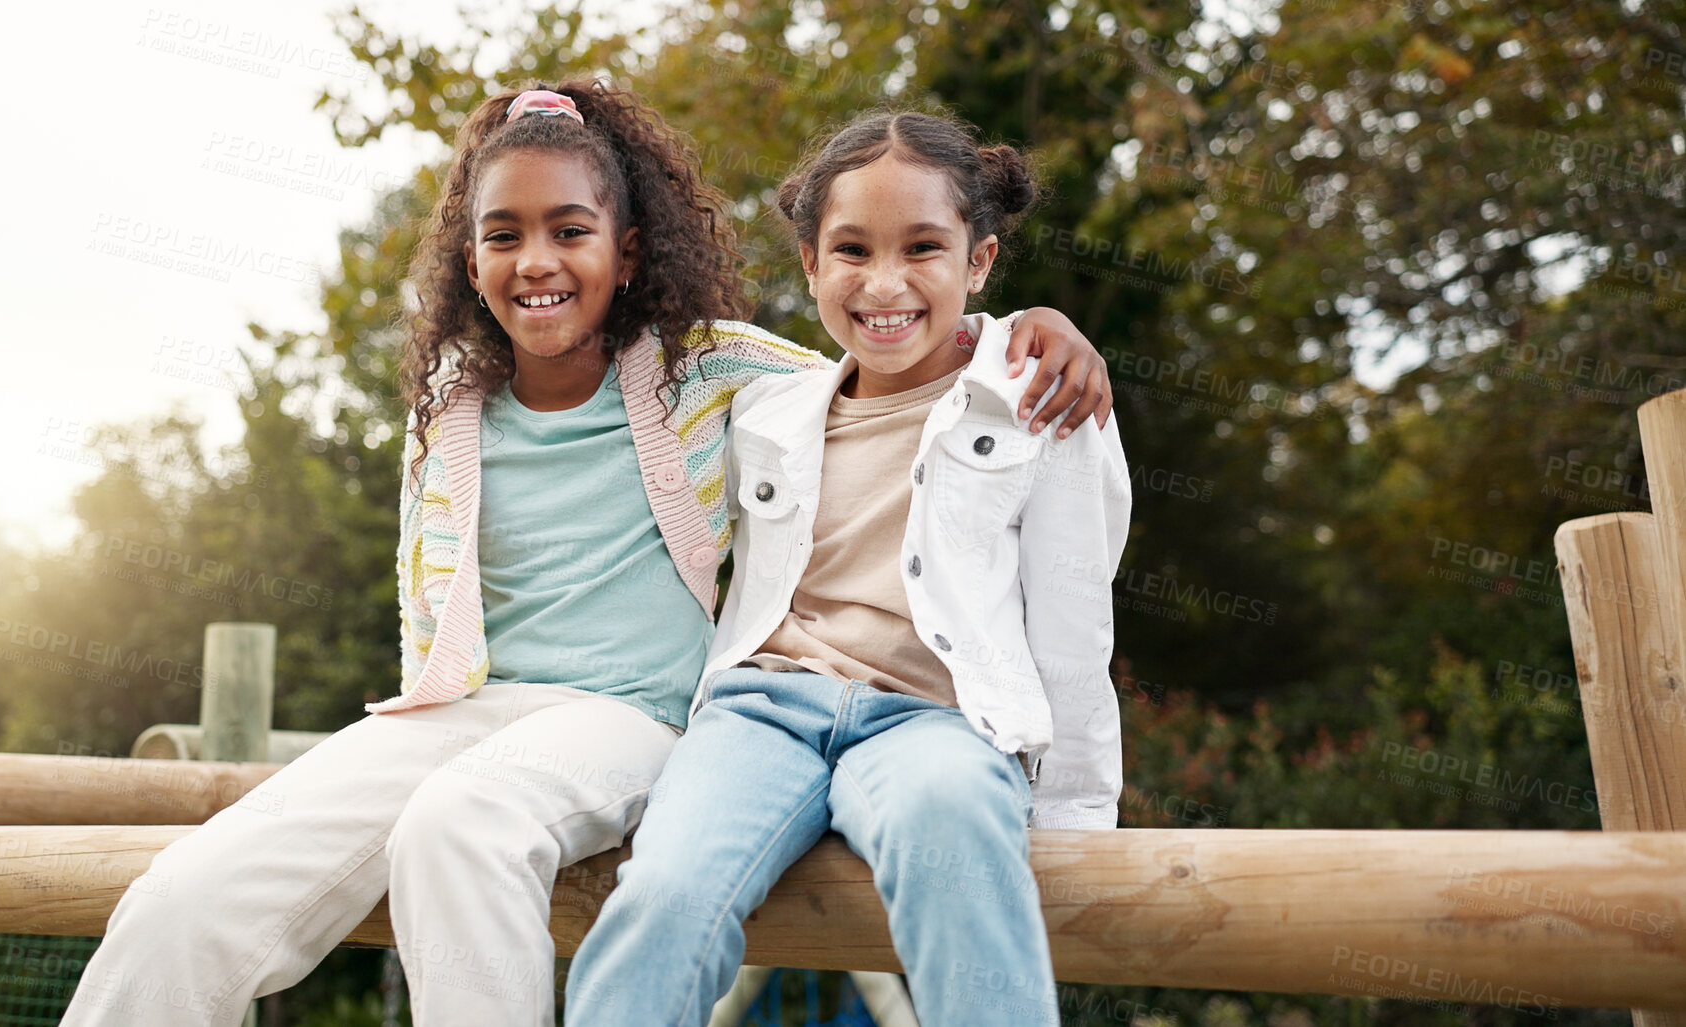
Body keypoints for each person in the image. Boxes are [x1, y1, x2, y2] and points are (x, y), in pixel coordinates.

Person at [61, 83, 1110, 1027]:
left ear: (629, 249)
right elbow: (425, 609)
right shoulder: (446, 409)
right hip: (463, 713)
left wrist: (1035, 329)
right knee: (182, 896)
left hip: (641, 718)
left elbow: (887, 363)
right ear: (469, 258)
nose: (538, 261)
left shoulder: (713, 376)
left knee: (459, 825)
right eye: (504, 235)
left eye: (571, 229)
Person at [565, 110, 1132, 1027]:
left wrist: (1077, 821)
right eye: (852, 250)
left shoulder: (1045, 405)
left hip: (938, 724)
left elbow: (1073, 629)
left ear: (978, 261)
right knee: (664, 891)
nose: (885, 283)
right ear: (809, 264)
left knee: (952, 824)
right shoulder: (764, 412)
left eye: (922, 248)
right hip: (762, 713)